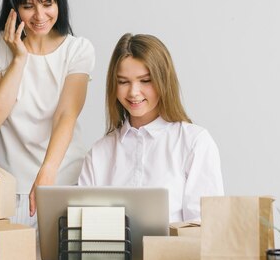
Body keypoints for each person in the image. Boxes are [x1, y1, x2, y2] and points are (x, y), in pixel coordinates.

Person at [0, 0, 95, 227]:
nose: (40, 16)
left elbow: (66, 115)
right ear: (13, 6)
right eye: (28, 7)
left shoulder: (78, 50)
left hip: (64, 182)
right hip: (11, 190)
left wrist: (48, 171)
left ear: (59, 3)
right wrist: (19, 59)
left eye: (48, 4)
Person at [78, 33, 223, 222]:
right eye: (123, 82)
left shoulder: (194, 142)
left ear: (163, 80)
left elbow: (205, 227)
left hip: (176, 252)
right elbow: (86, 229)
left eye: (145, 81)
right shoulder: (99, 152)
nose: (133, 92)